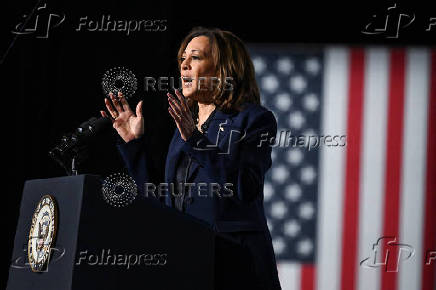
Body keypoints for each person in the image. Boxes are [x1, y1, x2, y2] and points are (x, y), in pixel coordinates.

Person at [101, 27, 282, 290]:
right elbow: (162, 204)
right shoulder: (183, 129)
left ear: (223, 68)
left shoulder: (254, 120)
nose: (184, 64)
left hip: (236, 269)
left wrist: (195, 140)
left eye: (195, 57)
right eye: (182, 59)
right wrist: (134, 146)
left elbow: (244, 187)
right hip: (189, 265)